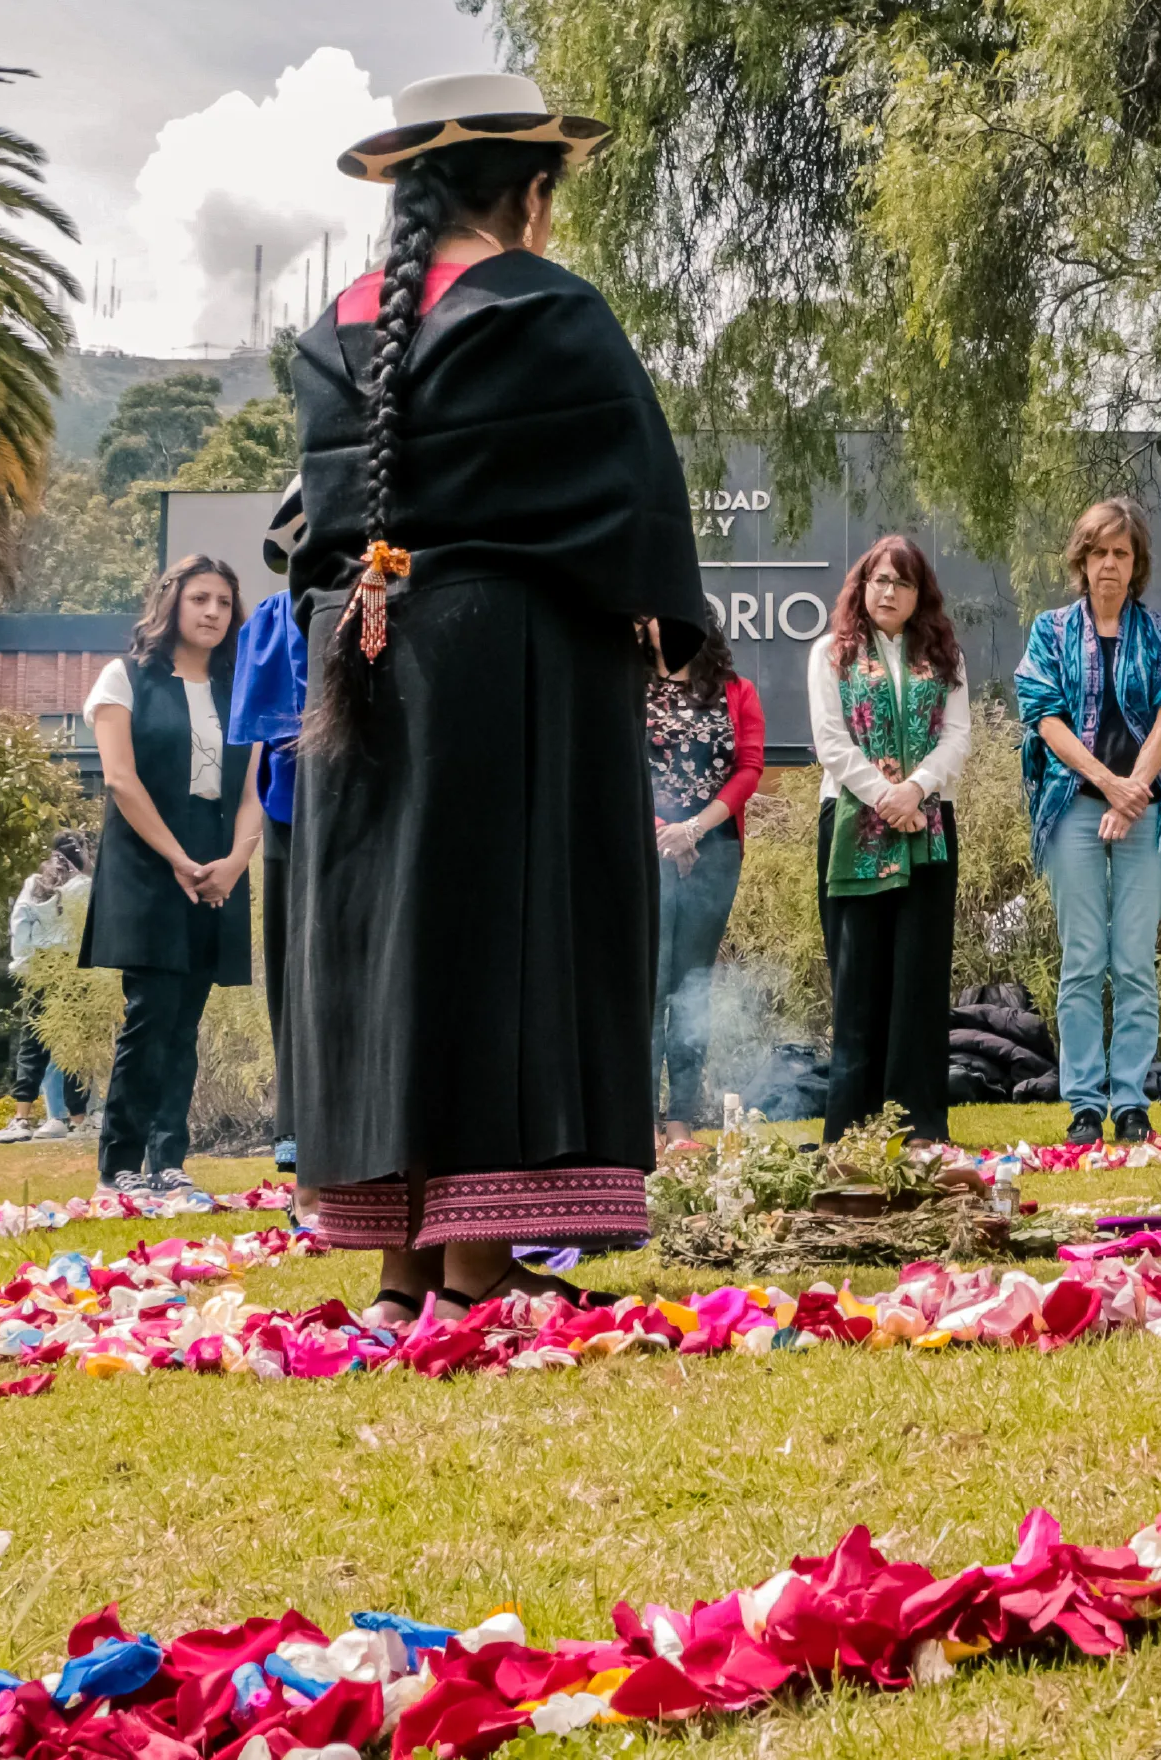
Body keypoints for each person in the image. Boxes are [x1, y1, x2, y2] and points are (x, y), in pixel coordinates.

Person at [288, 73, 704, 1313]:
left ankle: (403, 1257)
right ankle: (485, 1253)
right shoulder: (544, 305)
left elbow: (319, 515)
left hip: (356, 645)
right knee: (500, 932)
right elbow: (630, 491)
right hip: (504, 657)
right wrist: (666, 625)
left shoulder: (335, 325)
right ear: (530, 193)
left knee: (387, 938)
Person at [1018, 497, 1161, 1145]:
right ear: (1081, 559)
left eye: (1121, 553)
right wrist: (1108, 784)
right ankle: (1082, 1106)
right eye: (1098, 552)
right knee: (1082, 959)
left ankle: (1129, 1101)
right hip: (1072, 806)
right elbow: (1044, 719)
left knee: (1132, 962)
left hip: (1146, 809)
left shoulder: (1158, 634)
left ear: (1136, 564)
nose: (1108, 564)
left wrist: (1135, 792)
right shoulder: (1050, 631)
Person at [79, 555, 256, 1198]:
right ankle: (119, 1163)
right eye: (200, 598)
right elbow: (121, 779)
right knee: (150, 1012)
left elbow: (251, 789)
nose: (213, 612)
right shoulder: (124, 677)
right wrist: (178, 858)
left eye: (224, 602)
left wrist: (235, 861)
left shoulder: (241, 687)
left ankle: (169, 1161)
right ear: (172, 603)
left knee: (188, 1019)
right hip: (147, 856)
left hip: (219, 854)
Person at [810, 535, 970, 1145]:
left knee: (919, 978)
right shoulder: (831, 652)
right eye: (879, 579)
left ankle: (919, 1127)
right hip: (854, 825)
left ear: (918, 594)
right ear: (861, 584)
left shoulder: (944, 655)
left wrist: (918, 790)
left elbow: (958, 737)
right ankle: (851, 1132)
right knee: (859, 981)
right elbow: (830, 740)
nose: (888, 591)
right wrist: (886, 796)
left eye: (902, 583)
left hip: (927, 827)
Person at [647, 604, 761, 1148]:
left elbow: (749, 768)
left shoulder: (736, 691)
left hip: (714, 852)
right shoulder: (629, 686)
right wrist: (662, 831)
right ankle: (641, 1122)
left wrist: (692, 830)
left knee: (693, 988)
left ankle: (681, 1122)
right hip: (642, 852)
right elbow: (612, 765)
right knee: (648, 985)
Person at [228, 483, 310, 1168]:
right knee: (294, 966)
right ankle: (296, 1124)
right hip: (296, 811)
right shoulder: (274, 620)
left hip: (387, 812)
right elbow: (266, 735)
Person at [0, 833, 91, 1142]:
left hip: (40, 966)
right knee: (74, 1046)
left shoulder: (35, 884)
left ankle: (21, 1119)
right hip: (74, 967)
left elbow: (20, 924)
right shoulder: (86, 886)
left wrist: (22, 963)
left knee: (32, 1043)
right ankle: (78, 1120)